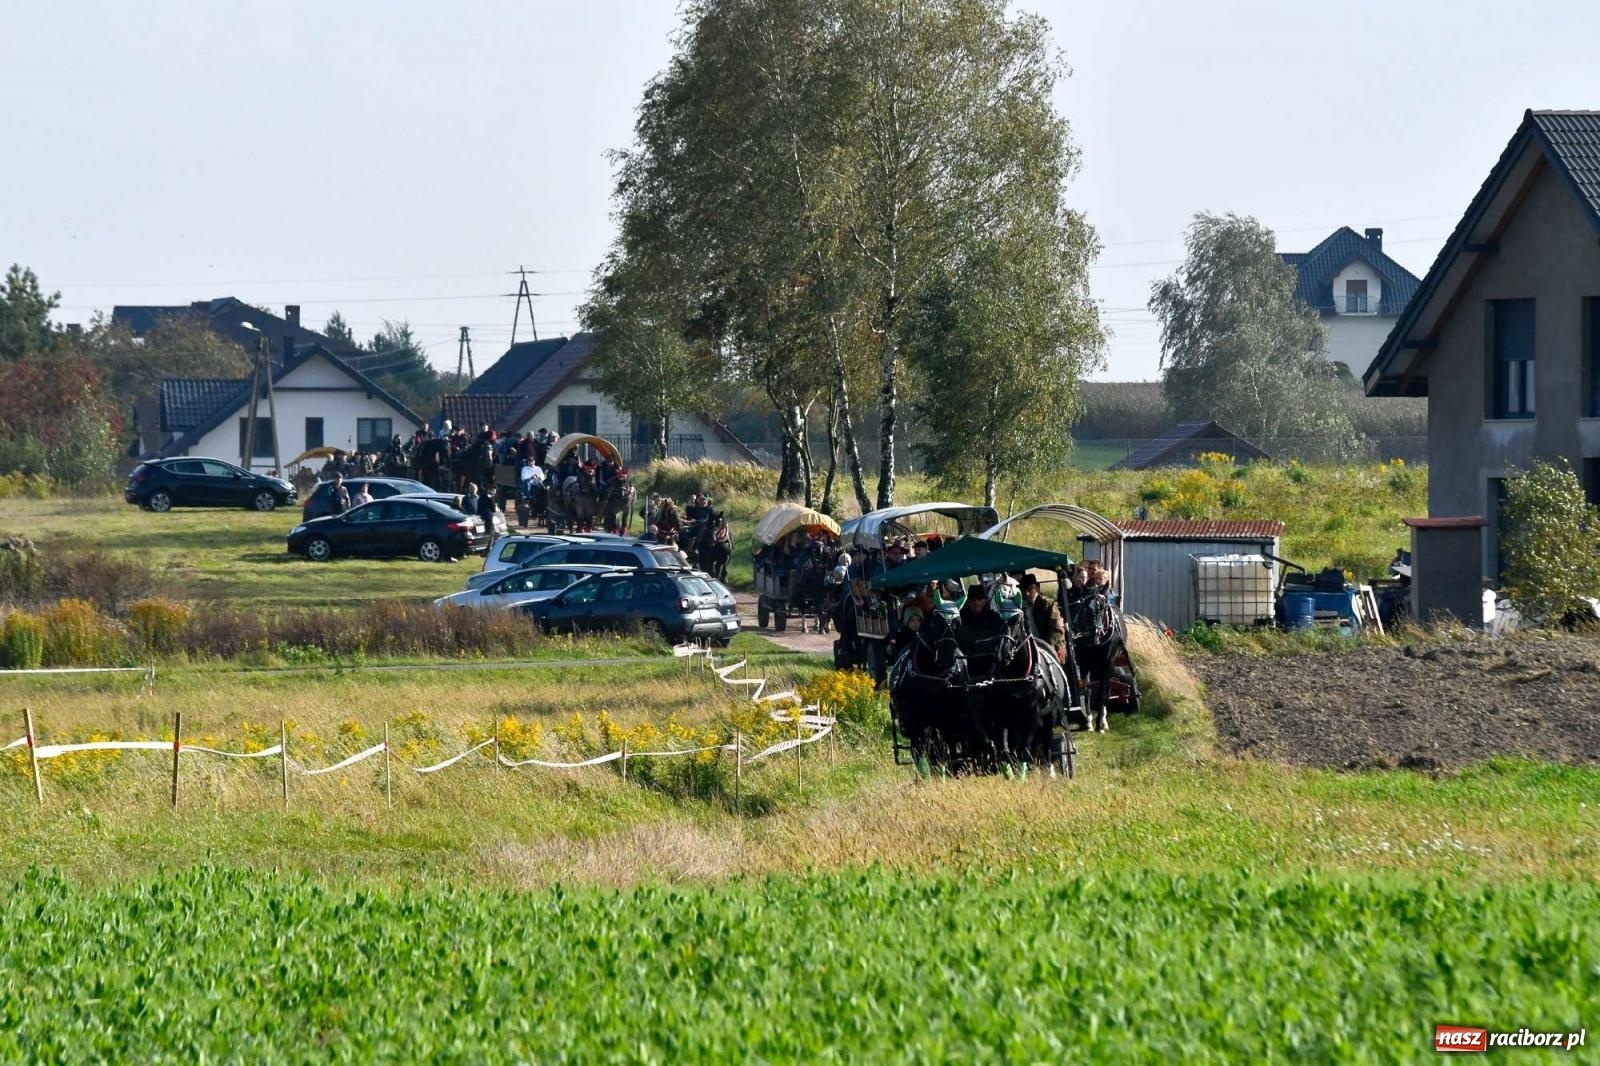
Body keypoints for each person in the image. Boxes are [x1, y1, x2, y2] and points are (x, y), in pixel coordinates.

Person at [1020, 573, 1066, 664]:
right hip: (1030, 647)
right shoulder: (1021, 606)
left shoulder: (1048, 604)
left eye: (1030, 589)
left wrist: (1043, 645)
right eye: (1024, 590)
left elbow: (1057, 630)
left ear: (1037, 588)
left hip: (1049, 644)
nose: (1027, 593)